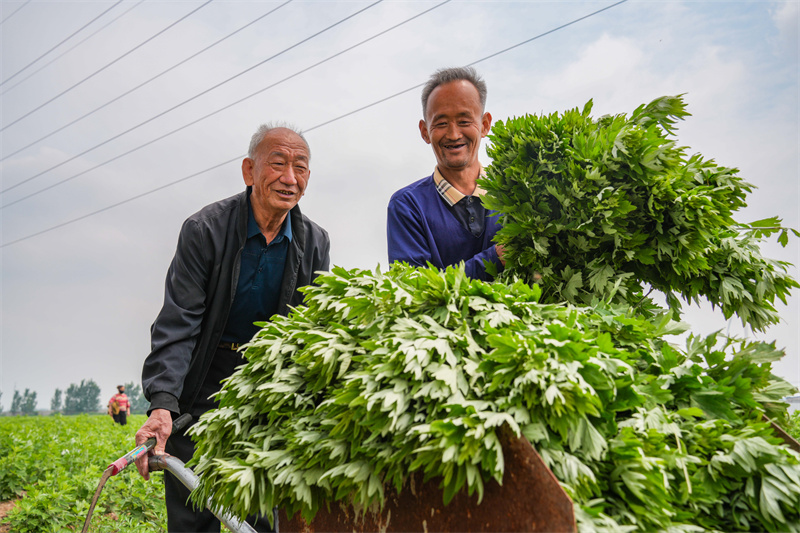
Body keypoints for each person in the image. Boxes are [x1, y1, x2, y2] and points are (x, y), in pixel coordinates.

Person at [134, 124, 330, 533]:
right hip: (204, 380)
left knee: (264, 517)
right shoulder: (205, 230)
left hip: (265, 388)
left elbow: (312, 330)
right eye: (277, 164)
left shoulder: (314, 242)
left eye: (300, 168)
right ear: (248, 171)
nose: (289, 178)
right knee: (193, 513)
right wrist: (163, 402)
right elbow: (179, 321)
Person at [387, 66, 504, 281]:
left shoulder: (513, 194)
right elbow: (412, 288)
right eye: (441, 124)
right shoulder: (408, 205)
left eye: (464, 121)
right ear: (425, 131)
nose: (453, 134)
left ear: (485, 125)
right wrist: (494, 259)